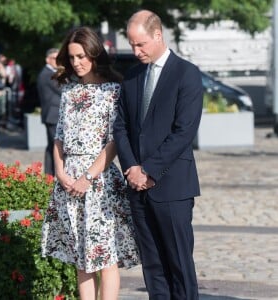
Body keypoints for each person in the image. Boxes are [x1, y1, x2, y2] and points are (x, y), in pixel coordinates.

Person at [41, 26, 140, 300]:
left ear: (95, 54)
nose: (76, 62)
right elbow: (58, 138)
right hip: (69, 183)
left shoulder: (113, 91)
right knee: (81, 260)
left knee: (105, 258)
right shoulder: (69, 93)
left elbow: (115, 141)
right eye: (72, 57)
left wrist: (88, 178)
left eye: (82, 56)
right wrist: (60, 172)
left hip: (100, 183)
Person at [113, 10, 203, 300]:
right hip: (137, 187)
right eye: (132, 45)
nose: (135, 51)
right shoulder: (133, 75)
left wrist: (149, 170)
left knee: (179, 265)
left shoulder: (186, 73)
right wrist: (132, 168)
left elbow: (184, 131)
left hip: (172, 186)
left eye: (141, 44)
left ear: (157, 35)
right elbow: (121, 125)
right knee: (152, 267)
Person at [37, 48, 61, 175]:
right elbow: (62, 89)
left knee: (51, 147)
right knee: (57, 147)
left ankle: (49, 176)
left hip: (52, 115)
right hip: (53, 116)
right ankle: (53, 175)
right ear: (47, 59)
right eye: (55, 58)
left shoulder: (49, 72)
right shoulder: (48, 74)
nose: (58, 61)